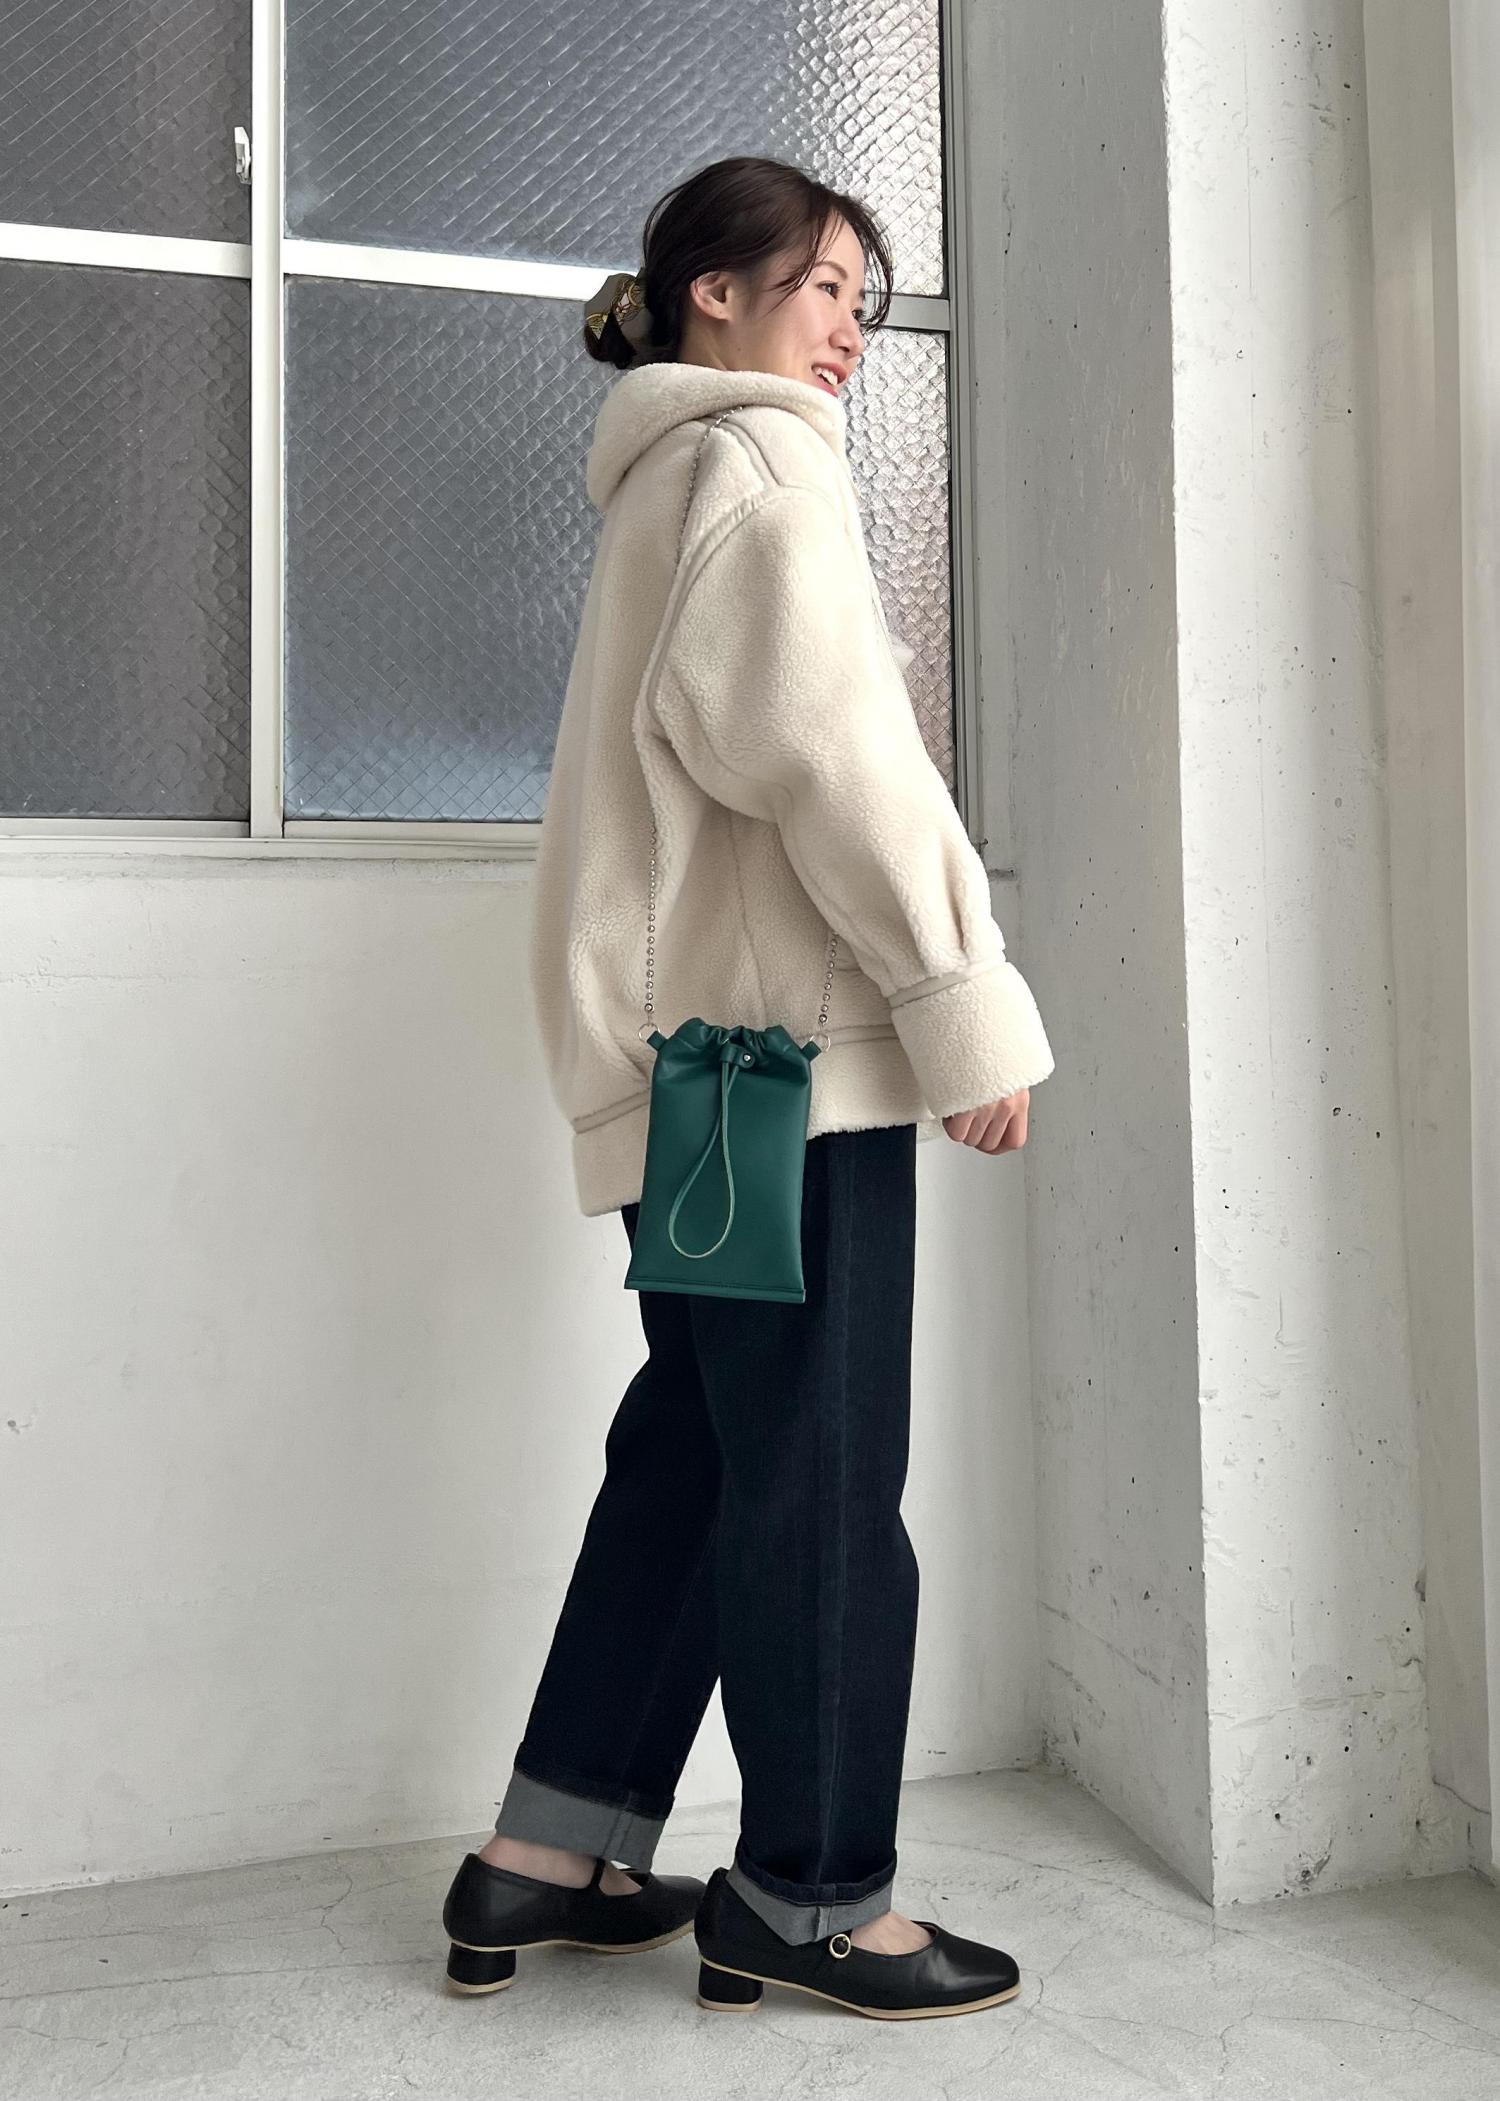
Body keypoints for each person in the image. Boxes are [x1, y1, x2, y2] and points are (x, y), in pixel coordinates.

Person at [440, 155, 1055, 2021]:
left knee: (712, 1450)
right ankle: (813, 1896)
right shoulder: (766, 470)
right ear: (716, 289)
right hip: (790, 1071)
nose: (852, 325)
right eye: (825, 286)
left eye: (867, 295)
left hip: (701, 1071)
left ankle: (550, 1847)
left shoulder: (664, 476)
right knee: (822, 1477)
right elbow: (838, 763)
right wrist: (959, 997)